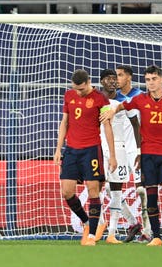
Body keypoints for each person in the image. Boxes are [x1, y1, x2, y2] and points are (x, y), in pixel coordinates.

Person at [112, 65, 162, 246]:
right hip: (147, 155)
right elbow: (122, 105)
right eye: (147, 80)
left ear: (161, 80)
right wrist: (110, 112)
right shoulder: (140, 99)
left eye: (154, 79)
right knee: (151, 197)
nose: (151, 83)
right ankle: (156, 237)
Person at [54, 69, 116, 246]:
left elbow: (108, 127)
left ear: (89, 82)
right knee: (66, 192)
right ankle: (87, 222)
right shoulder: (69, 96)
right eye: (76, 89)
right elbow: (64, 122)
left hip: (91, 150)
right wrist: (59, 149)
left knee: (93, 190)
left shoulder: (100, 99)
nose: (78, 92)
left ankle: (91, 236)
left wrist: (112, 156)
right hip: (72, 150)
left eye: (81, 89)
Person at [97, 69, 141, 244]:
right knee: (98, 188)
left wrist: (138, 150)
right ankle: (99, 225)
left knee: (116, 189)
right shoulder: (96, 100)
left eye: (114, 78)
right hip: (100, 147)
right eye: (108, 78)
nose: (112, 81)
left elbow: (135, 125)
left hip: (119, 148)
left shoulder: (124, 101)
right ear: (101, 82)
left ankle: (112, 233)